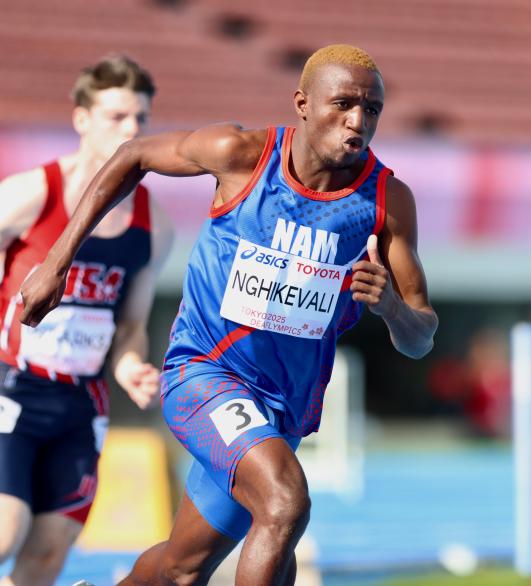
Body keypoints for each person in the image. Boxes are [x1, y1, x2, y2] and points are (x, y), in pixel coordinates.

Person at [20, 44, 438, 586]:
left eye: (372, 109)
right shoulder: (241, 154)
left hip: (281, 409)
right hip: (205, 376)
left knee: (183, 567)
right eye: (343, 104)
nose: (358, 121)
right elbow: (131, 155)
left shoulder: (386, 202)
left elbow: (421, 335)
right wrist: (57, 262)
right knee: (285, 501)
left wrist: (389, 309)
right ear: (303, 104)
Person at [0, 55, 173, 586]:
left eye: (141, 119)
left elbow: (129, 328)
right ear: (81, 119)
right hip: (12, 390)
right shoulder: (31, 194)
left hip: (81, 405)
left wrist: (129, 367)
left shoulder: (152, 225)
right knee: (6, 530)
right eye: (117, 117)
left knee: (49, 553)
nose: (132, 130)